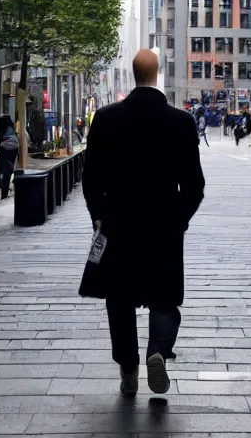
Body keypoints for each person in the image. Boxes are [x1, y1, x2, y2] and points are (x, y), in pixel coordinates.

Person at [82, 49, 205, 397]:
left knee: (119, 300)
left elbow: (90, 180)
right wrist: (178, 219)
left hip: (118, 226)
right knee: (164, 298)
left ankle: (128, 369)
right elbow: (194, 185)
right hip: (164, 227)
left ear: (134, 75)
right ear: (157, 74)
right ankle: (157, 351)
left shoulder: (105, 118)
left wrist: (99, 218)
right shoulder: (181, 122)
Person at [0, 115, 19, 199]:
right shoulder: (11, 126)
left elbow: (5, 137)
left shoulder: (5, 126)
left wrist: (0, 144)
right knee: (8, 171)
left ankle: (3, 191)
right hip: (13, 147)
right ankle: (4, 192)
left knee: (4, 170)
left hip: (6, 147)